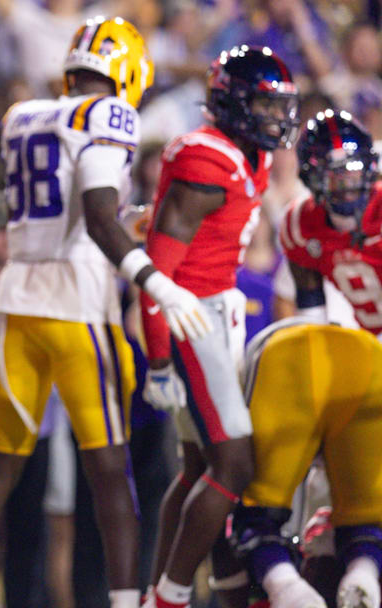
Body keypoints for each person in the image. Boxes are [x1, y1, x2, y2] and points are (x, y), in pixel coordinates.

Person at [0, 16, 207, 608]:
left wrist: (121, 219)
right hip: (78, 304)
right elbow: (96, 216)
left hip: (17, 301)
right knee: (110, 467)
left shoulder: (23, 115)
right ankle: (123, 599)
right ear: (129, 70)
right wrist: (157, 284)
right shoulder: (109, 114)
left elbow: (68, 207)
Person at [140, 46, 300, 608]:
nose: (276, 118)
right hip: (189, 312)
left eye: (279, 106)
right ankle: (170, 596)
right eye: (264, 105)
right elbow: (156, 273)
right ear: (231, 104)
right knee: (234, 463)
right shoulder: (208, 160)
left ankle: (180, 591)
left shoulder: (244, 153)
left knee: (198, 469)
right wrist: (158, 357)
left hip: (217, 308)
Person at [225, 319, 382, 608]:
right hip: (367, 355)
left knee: (254, 510)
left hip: (289, 351)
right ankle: (364, 571)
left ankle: (288, 589)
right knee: (364, 517)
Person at [280, 110, 382, 337]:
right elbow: (311, 314)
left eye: (354, 173)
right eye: (335, 178)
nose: (348, 189)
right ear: (311, 179)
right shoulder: (300, 223)